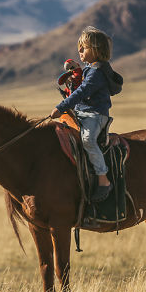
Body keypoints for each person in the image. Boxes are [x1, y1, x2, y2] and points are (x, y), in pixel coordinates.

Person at [49, 26, 123, 202]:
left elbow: (83, 92)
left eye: (84, 47)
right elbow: (79, 89)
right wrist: (75, 74)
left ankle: (103, 179)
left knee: (87, 140)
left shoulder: (97, 72)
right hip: (82, 113)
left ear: (96, 49)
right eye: (79, 48)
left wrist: (61, 106)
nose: (80, 51)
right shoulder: (91, 69)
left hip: (95, 116)